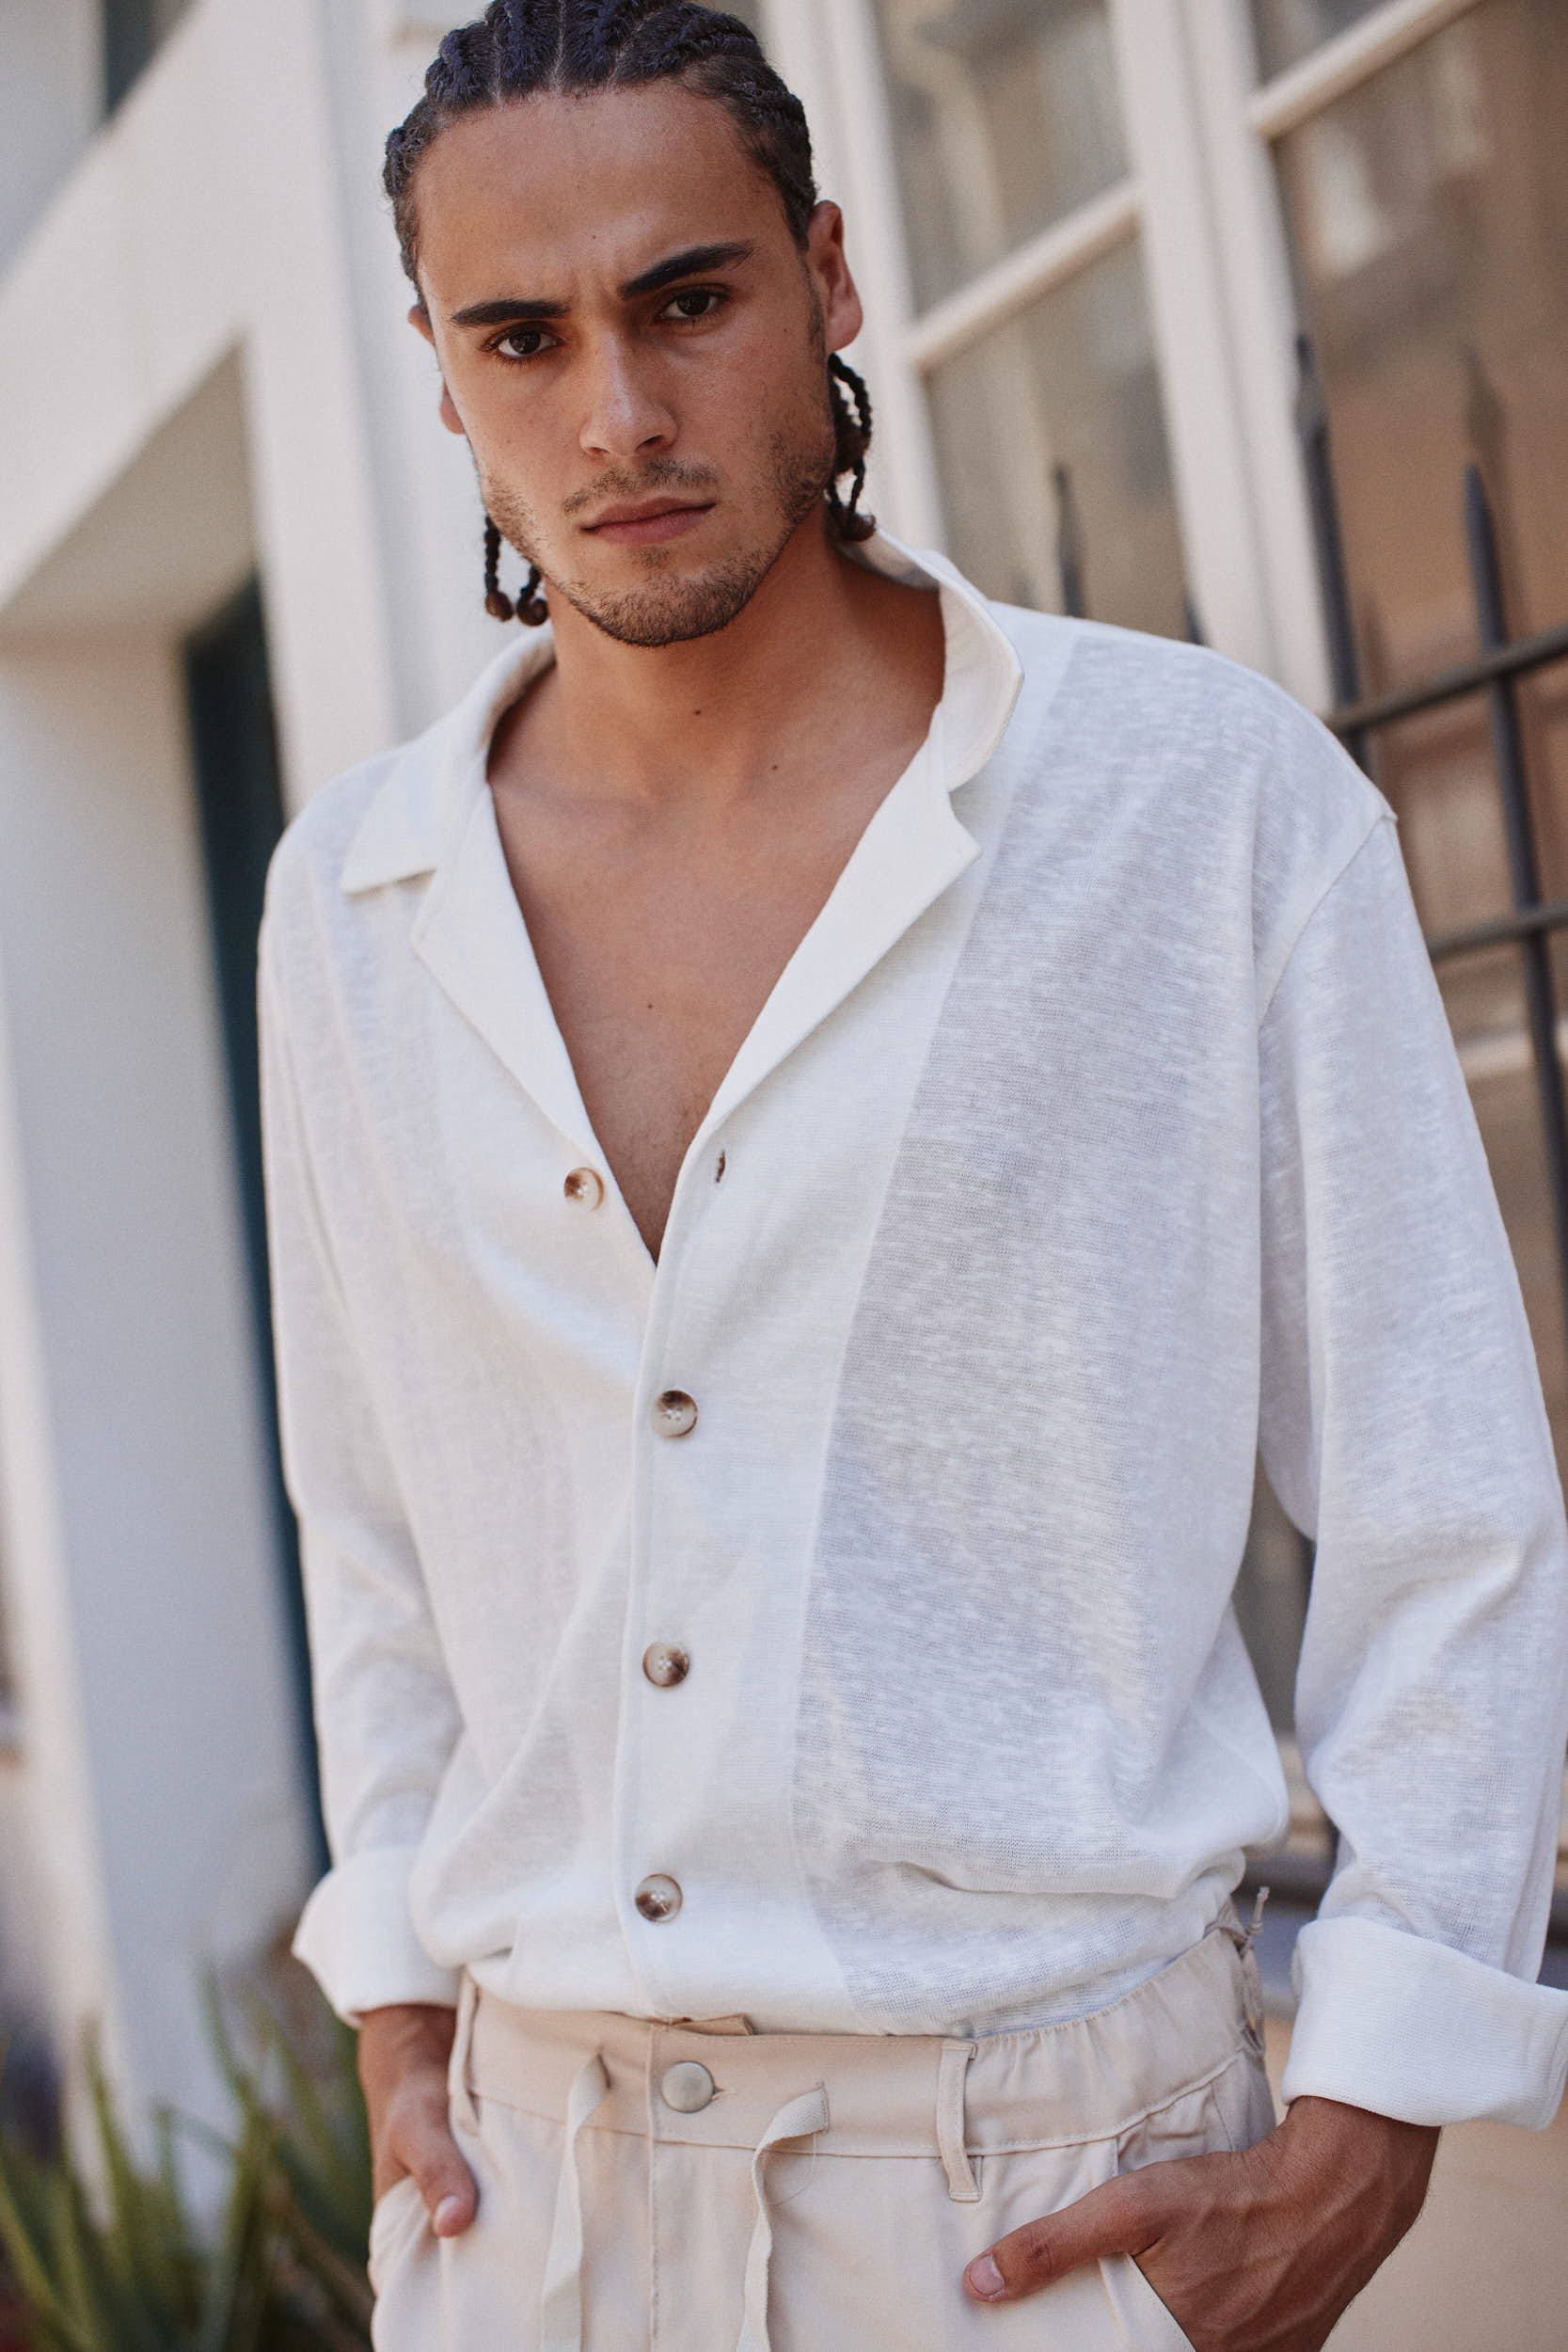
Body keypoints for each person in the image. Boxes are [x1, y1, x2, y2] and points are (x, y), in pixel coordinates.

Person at [258, 5, 1568, 2347]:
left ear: (831, 277)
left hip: (1043, 2203)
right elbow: (376, 1523)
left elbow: (1444, 1502)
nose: (616, 415)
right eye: (521, 337)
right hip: (527, 2209)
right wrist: (394, 1986)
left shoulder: (1200, 804)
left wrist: (1379, 2098)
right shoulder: (352, 898)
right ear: (442, 374)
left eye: (687, 297)